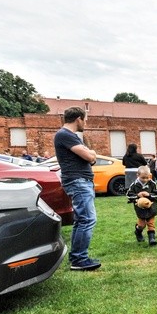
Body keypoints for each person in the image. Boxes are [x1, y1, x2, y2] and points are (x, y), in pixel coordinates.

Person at [54, 106, 100, 271]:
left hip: (81, 181)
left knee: (82, 219)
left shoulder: (69, 136)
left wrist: (91, 155)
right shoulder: (65, 135)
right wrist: (91, 154)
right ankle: (79, 260)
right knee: (87, 219)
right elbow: (89, 156)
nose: (85, 122)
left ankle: (78, 257)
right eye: (85, 119)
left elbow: (92, 158)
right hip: (78, 181)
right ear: (78, 118)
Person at [126, 165, 157, 246]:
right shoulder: (134, 185)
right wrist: (137, 195)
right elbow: (128, 195)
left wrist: (149, 195)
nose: (145, 179)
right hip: (140, 208)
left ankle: (152, 239)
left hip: (151, 207)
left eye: (147, 177)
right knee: (142, 224)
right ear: (137, 175)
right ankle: (138, 231)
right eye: (143, 177)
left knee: (151, 223)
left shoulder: (152, 183)